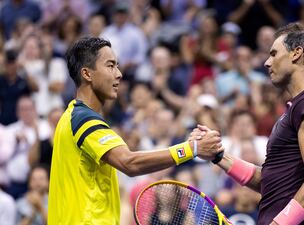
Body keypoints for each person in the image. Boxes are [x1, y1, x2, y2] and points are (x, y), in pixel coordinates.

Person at [47, 37, 223, 224]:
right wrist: (191, 149)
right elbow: (129, 163)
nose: (119, 74)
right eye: (110, 66)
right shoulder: (84, 119)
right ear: (87, 74)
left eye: (118, 66)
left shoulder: (71, 116)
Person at [196, 23, 304, 225]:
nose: (266, 62)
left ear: (296, 53)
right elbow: (270, 183)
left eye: (274, 54)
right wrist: (219, 156)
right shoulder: (300, 106)